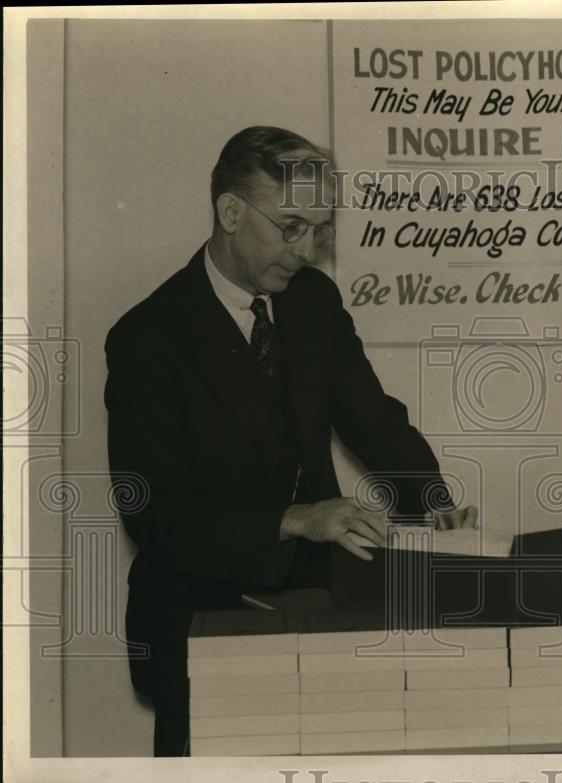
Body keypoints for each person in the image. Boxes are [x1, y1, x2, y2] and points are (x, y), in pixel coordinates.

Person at [104, 126, 477, 756]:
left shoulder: (314, 303)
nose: (307, 249)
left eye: (320, 230)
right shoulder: (148, 337)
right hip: (198, 625)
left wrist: (434, 505)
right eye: (292, 226)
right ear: (230, 212)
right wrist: (299, 519)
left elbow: (374, 421)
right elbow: (154, 512)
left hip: (317, 613)